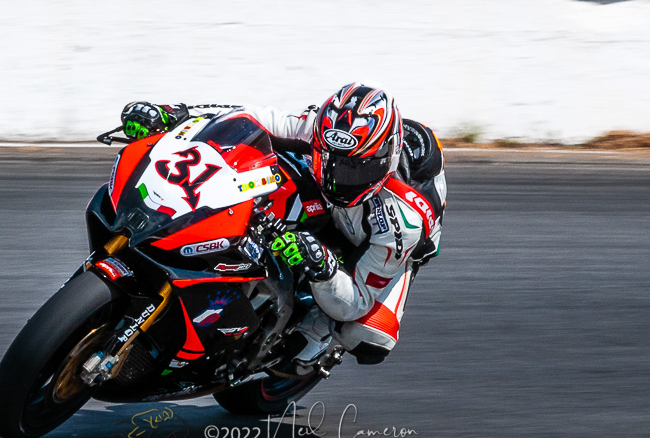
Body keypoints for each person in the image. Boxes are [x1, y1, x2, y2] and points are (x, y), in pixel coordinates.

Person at [120, 83, 446, 367]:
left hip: (383, 240)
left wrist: (323, 265)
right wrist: (176, 114)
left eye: (352, 171)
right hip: (336, 190)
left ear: (382, 162)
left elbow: (357, 302)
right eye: (328, 160)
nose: (336, 179)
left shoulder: (402, 222)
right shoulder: (321, 129)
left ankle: (316, 332)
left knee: (365, 333)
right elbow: (250, 118)